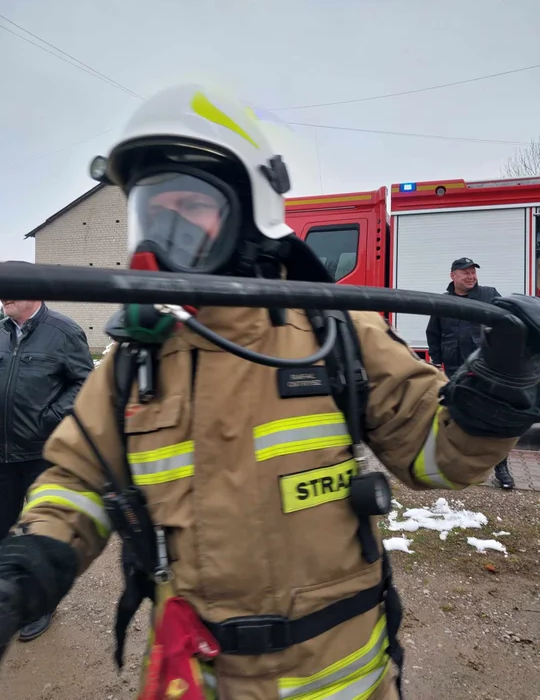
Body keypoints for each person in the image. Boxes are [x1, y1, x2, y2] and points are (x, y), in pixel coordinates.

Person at [1, 86, 540, 700]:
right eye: (152, 214)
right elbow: (74, 477)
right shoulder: (135, 362)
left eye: (188, 209)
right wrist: (29, 567)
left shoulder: (334, 334)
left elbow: (439, 456)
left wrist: (501, 379)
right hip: (195, 676)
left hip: (336, 678)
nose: (159, 239)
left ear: (247, 211)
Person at [0, 281, 94, 641]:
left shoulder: (64, 332)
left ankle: (39, 606)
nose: (4, 297)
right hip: (2, 454)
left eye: (11, 291)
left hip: (41, 453)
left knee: (41, 530)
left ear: (35, 292)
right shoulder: (2, 331)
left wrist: (48, 416)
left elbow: (85, 384)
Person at [425, 257, 515, 489]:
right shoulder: (442, 302)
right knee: (459, 415)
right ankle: (459, 464)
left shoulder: (489, 294)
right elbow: (433, 333)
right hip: (455, 368)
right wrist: (436, 360)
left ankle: (501, 467)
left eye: (473, 272)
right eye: (465, 272)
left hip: (485, 367)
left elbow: (507, 322)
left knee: (492, 415)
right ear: (452, 276)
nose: (471, 276)